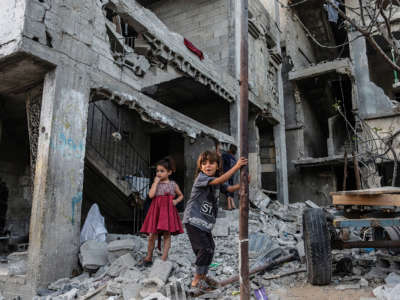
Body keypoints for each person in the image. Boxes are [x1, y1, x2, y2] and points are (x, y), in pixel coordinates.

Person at [183, 150, 248, 292]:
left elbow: (229, 188)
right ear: (200, 167)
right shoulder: (201, 179)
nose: (207, 166)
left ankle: (204, 276)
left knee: (210, 248)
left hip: (205, 224)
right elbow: (219, 180)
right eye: (204, 163)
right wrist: (236, 167)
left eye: (211, 163)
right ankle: (196, 281)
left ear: (218, 166)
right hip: (193, 220)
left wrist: (242, 184)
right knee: (204, 249)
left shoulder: (216, 183)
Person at [139, 157, 184, 266]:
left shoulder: (173, 184)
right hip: (156, 210)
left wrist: (176, 201)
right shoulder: (156, 183)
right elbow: (150, 195)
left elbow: (181, 195)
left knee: (167, 235)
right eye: (157, 171)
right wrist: (155, 183)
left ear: (169, 172)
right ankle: (149, 256)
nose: (159, 173)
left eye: (162, 171)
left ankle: (164, 258)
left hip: (168, 211)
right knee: (152, 235)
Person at [221, 144, 238, 210]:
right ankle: (233, 205)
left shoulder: (225, 155)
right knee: (231, 188)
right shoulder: (234, 158)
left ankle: (229, 206)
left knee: (226, 188)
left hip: (226, 174)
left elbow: (221, 162)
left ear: (229, 149)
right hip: (232, 175)